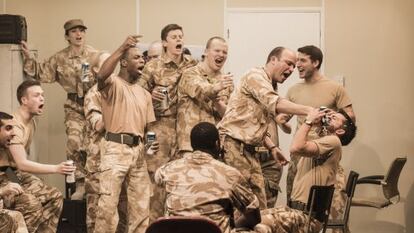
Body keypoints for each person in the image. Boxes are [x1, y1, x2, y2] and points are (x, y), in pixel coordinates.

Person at [217, 47, 314, 209]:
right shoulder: (255, 76)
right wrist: (309, 110)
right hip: (232, 146)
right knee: (239, 206)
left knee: (260, 206)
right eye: (288, 63)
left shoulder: (270, 84)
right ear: (273, 60)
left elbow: (253, 123)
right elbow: (277, 103)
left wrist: (272, 147)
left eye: (293, 67)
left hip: (250, 150)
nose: (291, 69)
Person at [21, 19, 102, 199]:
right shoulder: (60, 58)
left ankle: (94, 184)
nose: (78, 34)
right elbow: (41, 72)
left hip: (95, 105)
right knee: (74, 142)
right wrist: (28, 56)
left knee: (94, 145)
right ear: (67, 36)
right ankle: (79, 183)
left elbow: (107, 78)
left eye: (81, 31)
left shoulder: (95, 55)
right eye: (74, 32)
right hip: (73, 106)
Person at [285, 45, 355, 229]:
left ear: (315, 63)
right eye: (296, 60)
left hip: (324, 155)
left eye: (302, 60)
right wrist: (281, 121)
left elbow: (350, 120)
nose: (296, 65)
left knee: (326, 212)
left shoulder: (335, 88)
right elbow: (282, 120)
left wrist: (328, 119)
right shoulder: (293, 90)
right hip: (299, 155)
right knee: (296, 208)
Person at [94, 35, 155, 233]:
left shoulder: (144, 94)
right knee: (107, 208)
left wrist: (149, 145)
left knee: (141, 208)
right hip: (115, 149)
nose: (142, 61)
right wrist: (122, 47)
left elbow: (148, 128)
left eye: (142, 58)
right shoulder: (112, 84)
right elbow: (101, 76)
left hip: (138, 152)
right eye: (137, 58)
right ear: (123, 62)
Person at [155, 122, 261, 233]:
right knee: (264, 226)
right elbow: (254, 216)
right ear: (217, 143)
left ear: (192, 145)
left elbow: (158, 179)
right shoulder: (230, 174)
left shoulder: (167, 169)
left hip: (175, 230)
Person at [139, 23, 198, 222]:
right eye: (174, 37)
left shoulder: (192, 64)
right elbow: (136, 94)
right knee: (156, 180)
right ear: (165, 42)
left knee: (181, 180)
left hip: (184, 129)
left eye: (181, 36)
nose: (179, 39)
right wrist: (149, 93)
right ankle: (154, 225)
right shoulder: (153, 66)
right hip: (158, 128)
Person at [0, 80, 75, 233]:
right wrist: (56, 168)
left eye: (42, 95)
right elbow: (22, 163)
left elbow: (19, 167)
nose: (42, 99)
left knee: (54, 197)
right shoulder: (14, 126)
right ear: (24, 100)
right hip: (6, 173)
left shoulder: (31, 122)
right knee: (31, 203)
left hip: (13, 173)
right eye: (36, 95)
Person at [176, 36, 233, 156]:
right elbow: (200, 90)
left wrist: (218, 103)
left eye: (225, 52)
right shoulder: (190, 74)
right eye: (217, 51)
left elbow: (229, 115)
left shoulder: (226, 82)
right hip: (191, 147)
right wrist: (216, 88)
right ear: (206, 52)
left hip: (216, 148)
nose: (221, 55)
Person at [0, 112, 28, 233]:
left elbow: (8, 168)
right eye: (8, 128)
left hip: (10, 175)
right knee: (29, 203)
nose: (13, 133)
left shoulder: (4, 147)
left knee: (53, 194)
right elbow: (22, 164)